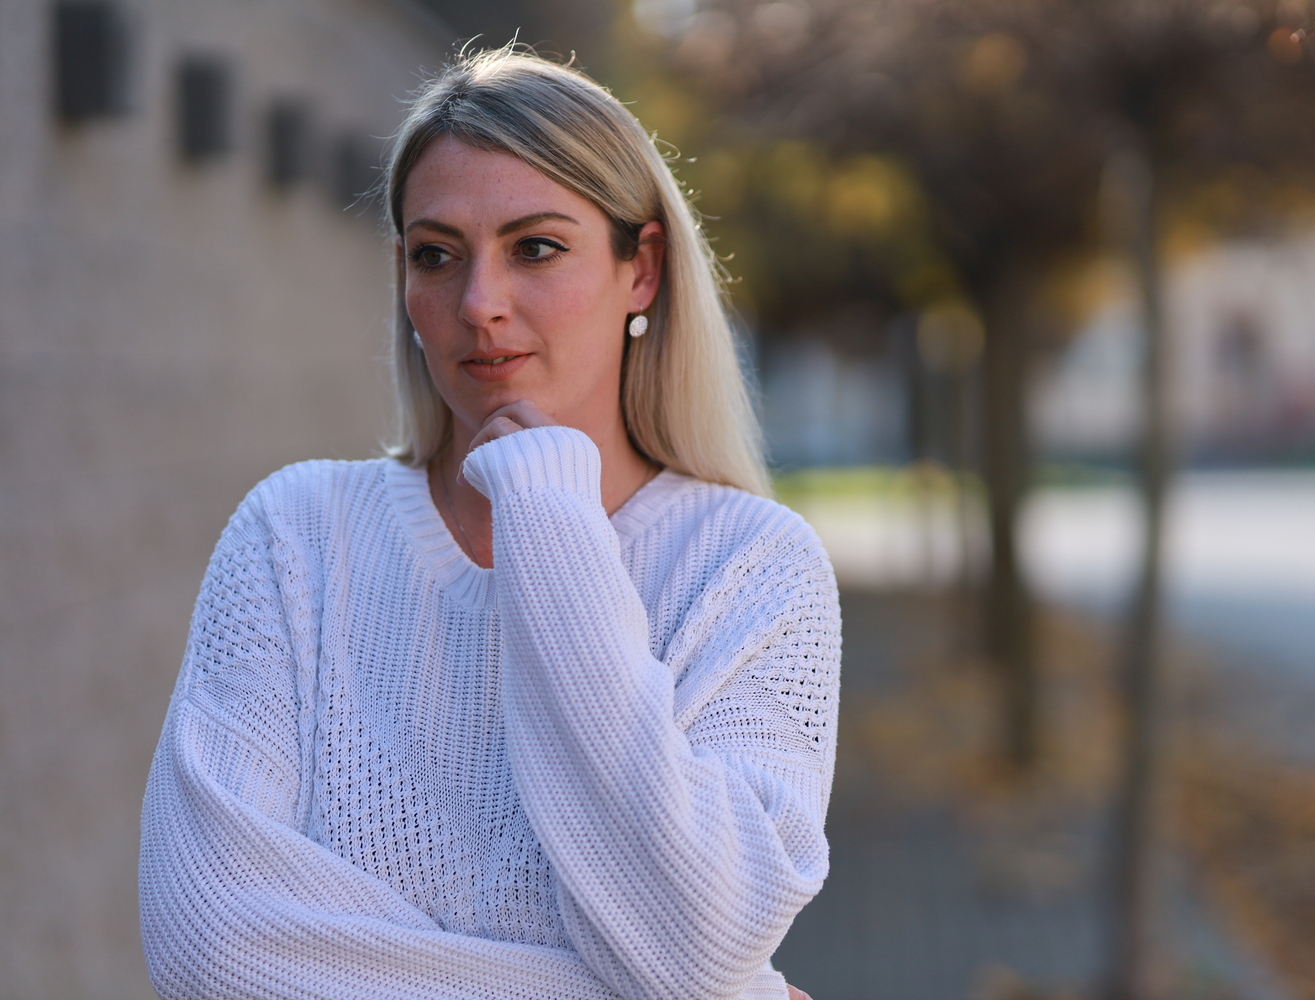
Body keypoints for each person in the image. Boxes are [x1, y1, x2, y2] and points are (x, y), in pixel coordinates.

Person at [138, 47, 839, 1000]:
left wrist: (550, 518)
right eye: (436, 255)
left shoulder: (752, 569)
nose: (479, 305)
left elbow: (700, 941)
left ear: (642, 270)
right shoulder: (295, 537)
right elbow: (213, 951)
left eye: (535, 248)